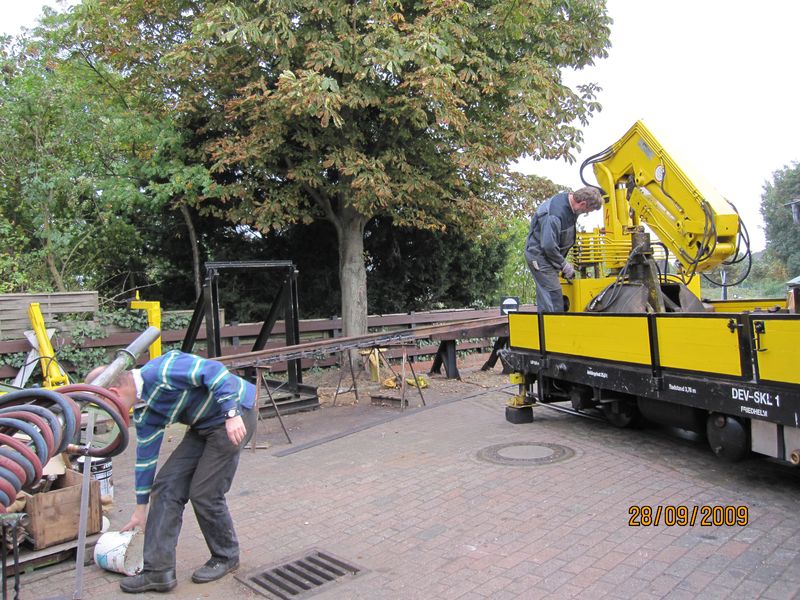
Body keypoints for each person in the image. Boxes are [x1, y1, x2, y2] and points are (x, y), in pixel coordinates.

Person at [87, 350, 258, 594]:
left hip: (236, 415)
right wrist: (140, 509)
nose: (110, 415)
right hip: (204, 425)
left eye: (106, 406)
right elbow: (145, 460)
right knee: (166, 486)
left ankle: (226, 556)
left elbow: (213, 371)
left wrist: (231, 413)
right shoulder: (146, 411)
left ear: (113, 393)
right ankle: (158, 572)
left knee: (205, 493)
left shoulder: (162, 370)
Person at [524, 186, 604, 312]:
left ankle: (550, 326)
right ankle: (551, 330)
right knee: (553, 298)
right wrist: (564, 265)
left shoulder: (570, 204)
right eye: (586, 211)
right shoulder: (554, 215)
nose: (585, 213)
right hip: (540, 258)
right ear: (582, 204)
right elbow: (549, 246)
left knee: (550, 296)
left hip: (549, 257)